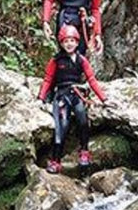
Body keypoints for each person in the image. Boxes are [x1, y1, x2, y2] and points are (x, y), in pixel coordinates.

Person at [38, 23, 109, 173]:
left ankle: (84, 152)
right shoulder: (56, 61)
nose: (69, 44)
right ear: (61, 43)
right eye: (65, 41)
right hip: (62, 96)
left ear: (77, 42)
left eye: (72, 41)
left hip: (76, 95)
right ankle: (55, 160)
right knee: (61, 127)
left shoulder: (82, 60)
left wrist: (104, 99)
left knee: (83, 120)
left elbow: (91, 80)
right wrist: (41, 98)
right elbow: (48, 80)